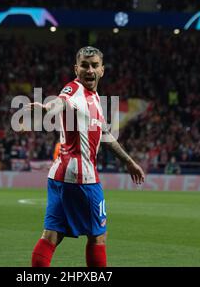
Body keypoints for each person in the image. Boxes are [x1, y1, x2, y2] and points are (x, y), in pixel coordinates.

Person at [25, 46, 145, 267]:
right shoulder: (73, 90)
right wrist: (46, 109)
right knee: (98, 236)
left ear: (102, 70)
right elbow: (60, 101)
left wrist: (128, 161)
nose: (89, 70)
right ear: (76, 68)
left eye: (94, 66)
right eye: (85, 65)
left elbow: (105, 134)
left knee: (51, 236)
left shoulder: (94, 96)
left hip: (58, 176)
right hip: (82, 178)